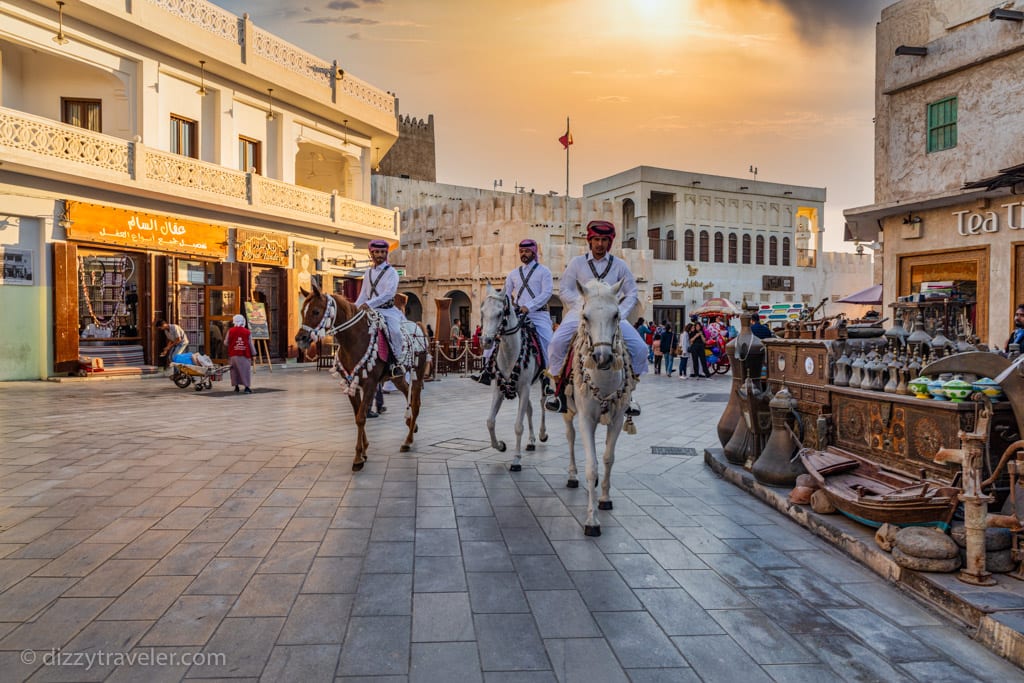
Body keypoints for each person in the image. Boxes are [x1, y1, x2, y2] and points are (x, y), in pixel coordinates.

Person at [545, 220, 646, 414]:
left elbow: (632, 292)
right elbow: (564, 288)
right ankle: (557, 392)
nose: (600, 244)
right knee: (556, 343)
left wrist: (620, 313)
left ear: (610, 242)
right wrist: (582, 306)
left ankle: (630, 394)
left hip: (610, 316)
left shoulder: (619, 265)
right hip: (581, 314)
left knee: (640, 348)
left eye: (604, 240)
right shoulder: (577, 263)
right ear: (589, 241)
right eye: (597, 239)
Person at [474, 238, 554, 386]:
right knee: (495, 333)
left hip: (538, 315)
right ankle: (486, 370)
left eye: (527, 251)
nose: (524, 254)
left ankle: (547, 378)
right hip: (517, 315)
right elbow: (506, 294)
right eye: (521, 251)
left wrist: (529, 306)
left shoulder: (544, 272)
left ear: (534, 252)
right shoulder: (513, 274)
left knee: (549, 342)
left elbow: (547, 293)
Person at [355, 239, 405, 369]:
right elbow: (363, 295)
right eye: (377, 252)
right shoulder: (368, 273)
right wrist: (353, 309)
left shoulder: (392, 272)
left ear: (386, 253)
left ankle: (398, 362)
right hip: (370, 312)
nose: (380, 255)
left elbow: (389, 294)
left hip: (387, 311)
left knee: (395, 332)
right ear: (371, 254)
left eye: (383, 252)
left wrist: (368, 304)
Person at [225, 314, 255, 394]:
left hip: (233, 355)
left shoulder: (230, 331)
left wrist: (233, 345)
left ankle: (236, 387)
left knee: (235, 371)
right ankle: (246, 387)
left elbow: (226, 342)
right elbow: (250, 344)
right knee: (245, 371)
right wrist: (254, 354)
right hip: (244, 355)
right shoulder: (247, 332)